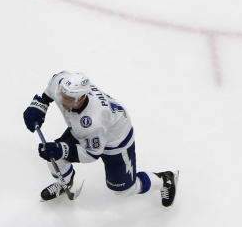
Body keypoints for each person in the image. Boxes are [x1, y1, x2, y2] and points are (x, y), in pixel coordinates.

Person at [22, 70, 176, 205]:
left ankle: (165, 180)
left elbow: (92, 153)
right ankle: (65, 184)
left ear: (80, 99)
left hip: (116, 138)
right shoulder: (63, 85)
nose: (61, 99)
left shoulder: (94, 121)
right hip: (83, 130)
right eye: (62, 93)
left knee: (124, 189)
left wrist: (61, 149)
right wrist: (40, 105)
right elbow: (51, 88)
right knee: (54, 157)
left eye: (67, 98)